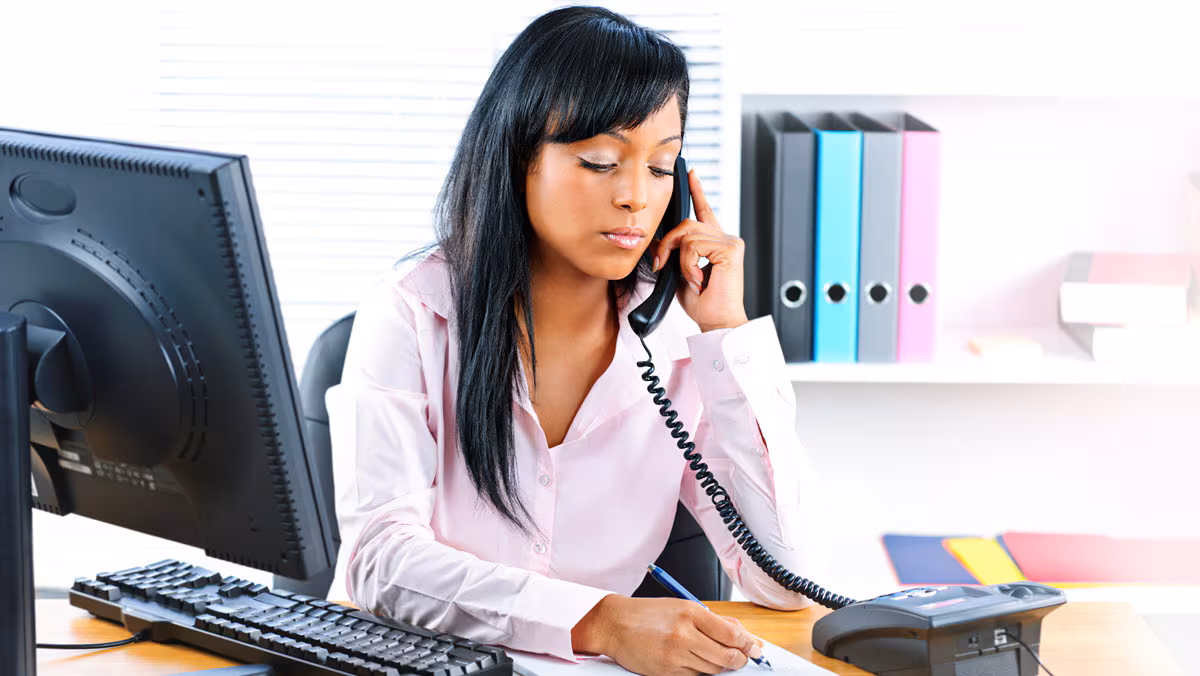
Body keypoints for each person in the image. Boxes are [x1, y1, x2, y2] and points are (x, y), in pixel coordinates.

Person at [327, 6, 829, 675]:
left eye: (660, 166)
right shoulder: (413, 313)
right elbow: (382, 564)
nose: (634, 197)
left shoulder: (678, 339)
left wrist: (727, 334)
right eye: (599, 161)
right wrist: (596, 620)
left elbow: (787, 579)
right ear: (518, 157)